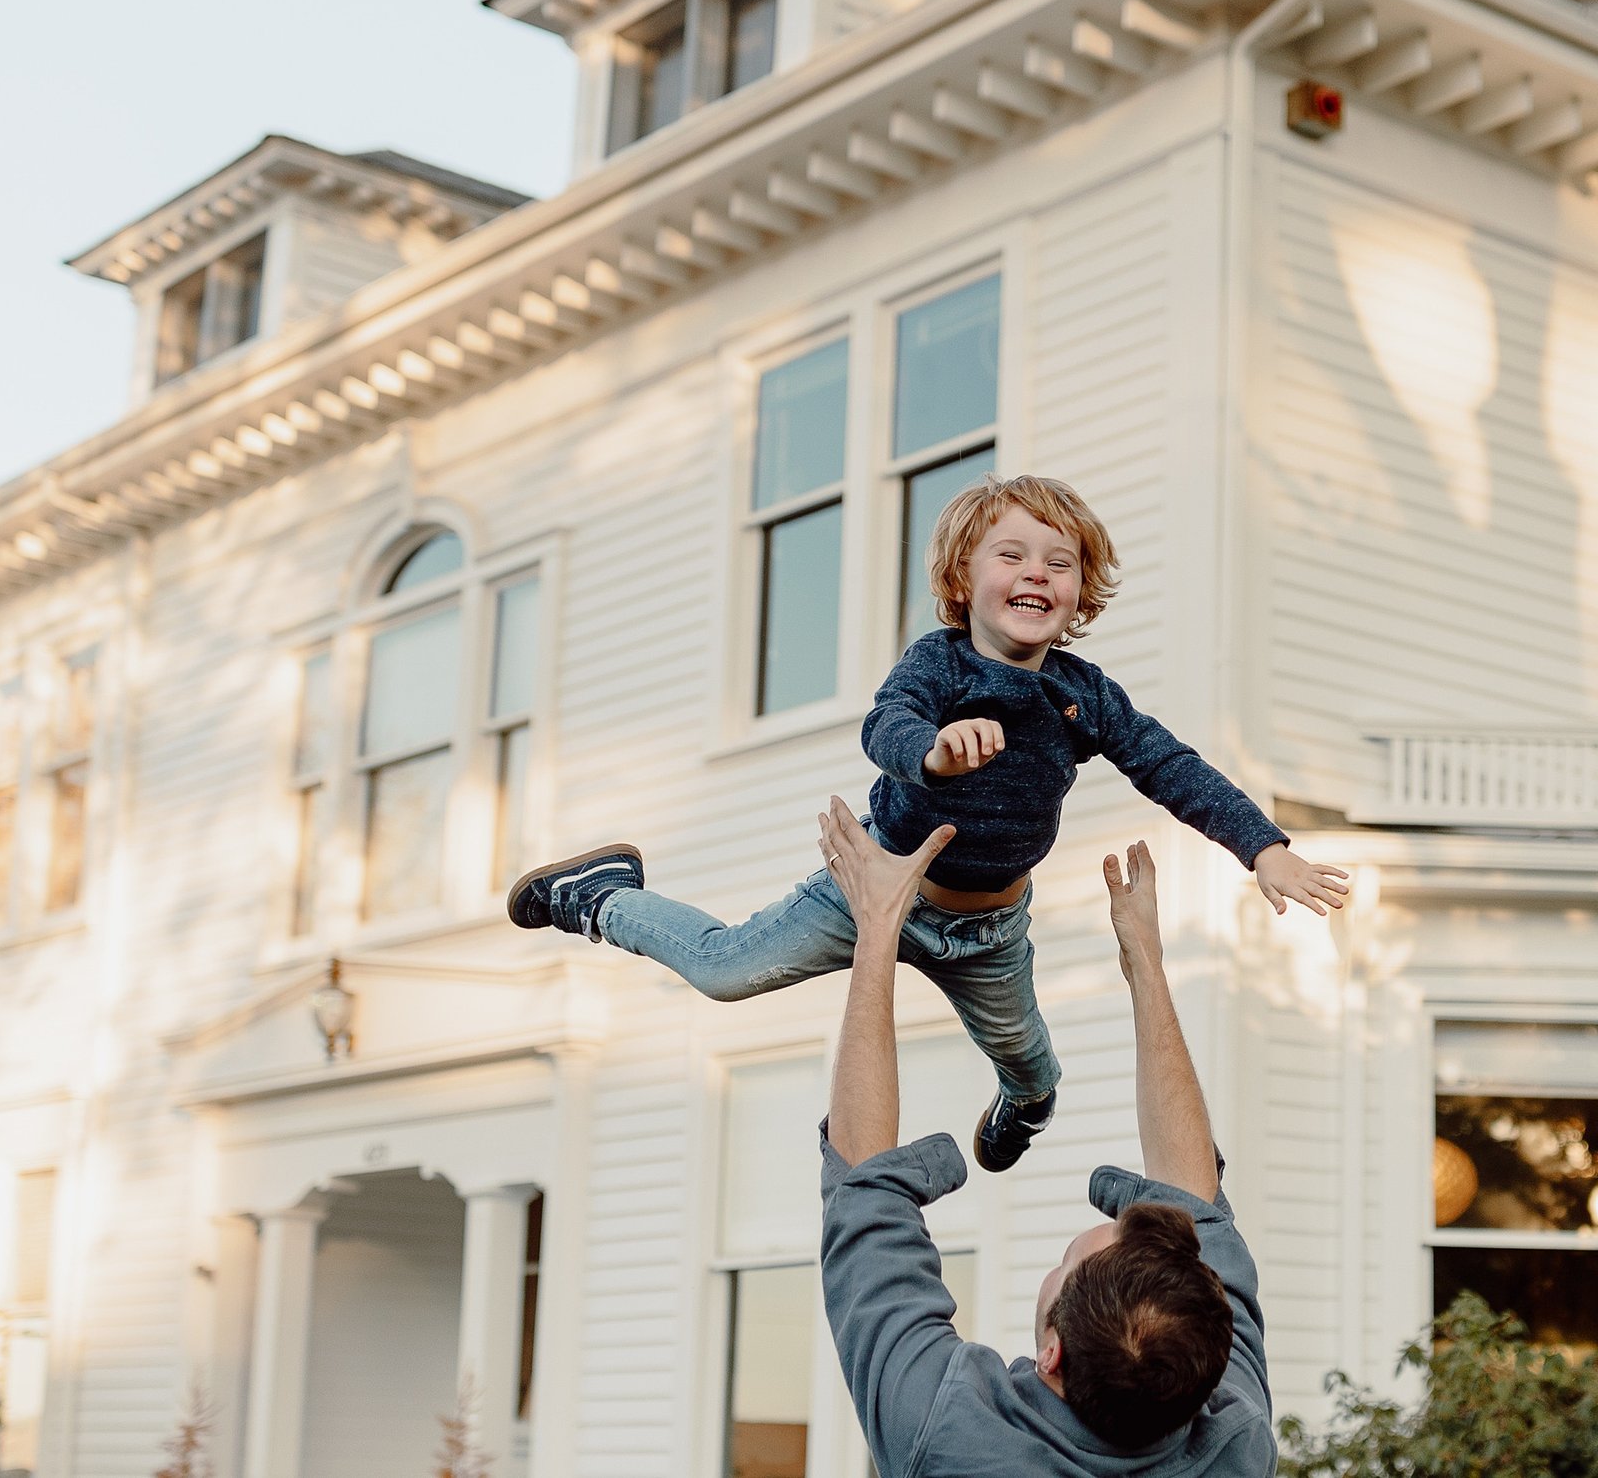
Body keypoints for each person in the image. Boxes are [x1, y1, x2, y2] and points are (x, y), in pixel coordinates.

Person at [508, 474, 1351, 1171]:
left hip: (985, 931)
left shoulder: (1083, 695)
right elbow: (886, 725)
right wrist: (936, 753)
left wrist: (1263, 848)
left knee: (1031, 1068)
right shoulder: (937, 664)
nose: (1038, 574)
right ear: (962, 578)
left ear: (1079, 595)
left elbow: (1172, 766)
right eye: (1012, 555)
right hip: (874, 887)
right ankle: (599, 897)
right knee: (727, 969)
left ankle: (1023, 1107)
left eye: (1061, 563)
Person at [814, 796, 1277, 1475]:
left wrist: (879, 926)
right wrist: (1144, 964)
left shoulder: (949, 1434)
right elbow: (1194, 1198)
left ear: (1052, 1353)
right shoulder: (1230, 1442)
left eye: (1068, 1262)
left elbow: (863, 1189)